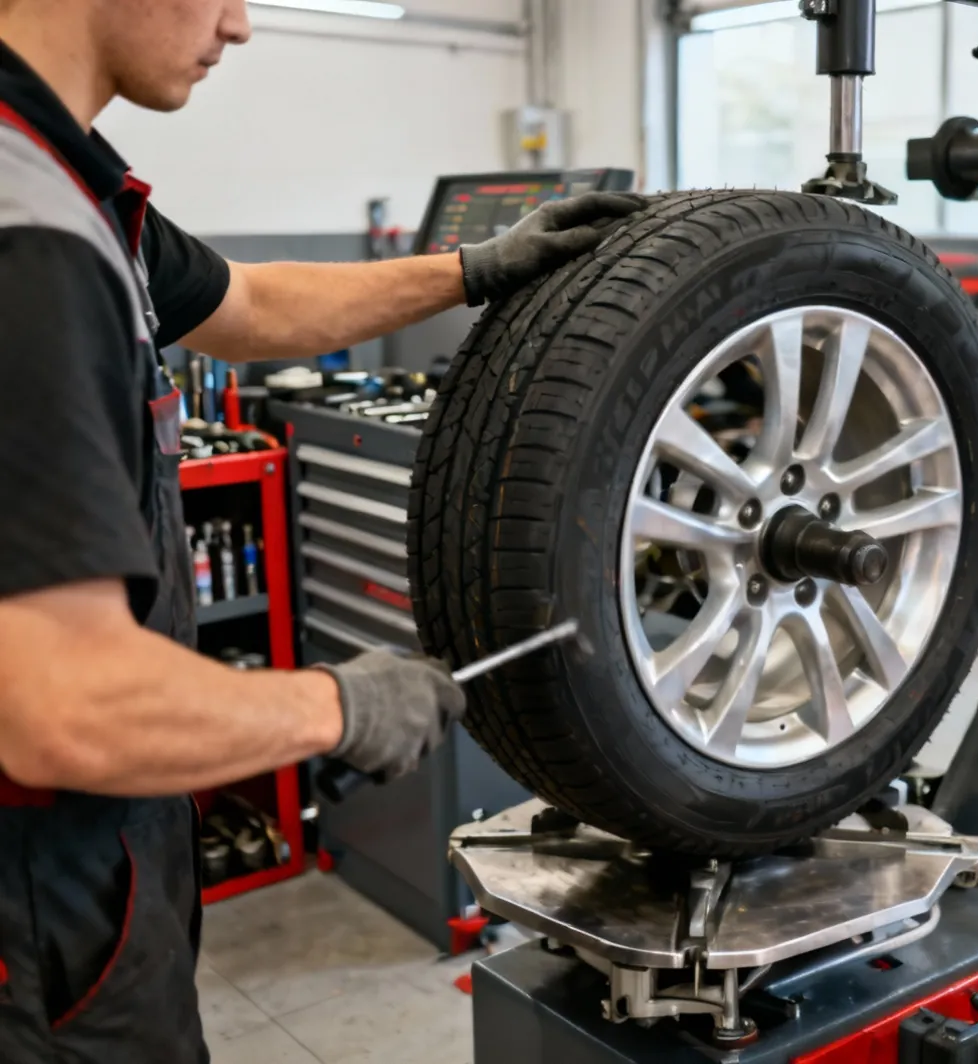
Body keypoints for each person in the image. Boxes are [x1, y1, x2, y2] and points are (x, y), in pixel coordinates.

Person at [0, 0, 644, 1059]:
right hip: (36, 899)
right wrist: (338, 704)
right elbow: (64, 709)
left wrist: (473, 268)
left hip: (85, 862)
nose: (242, 25)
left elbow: (246, 302)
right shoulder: (29, 237)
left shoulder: (68, 180)